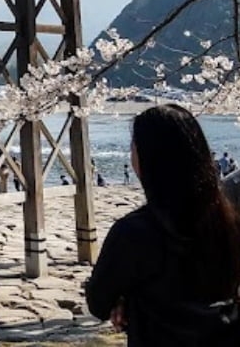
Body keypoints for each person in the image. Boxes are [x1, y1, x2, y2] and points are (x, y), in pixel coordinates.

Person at [86, 104, 240, 345]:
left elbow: (99, 303)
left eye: (133, 147)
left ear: (148, 157)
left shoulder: (133, 232)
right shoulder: (228, 220)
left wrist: (124, 300)